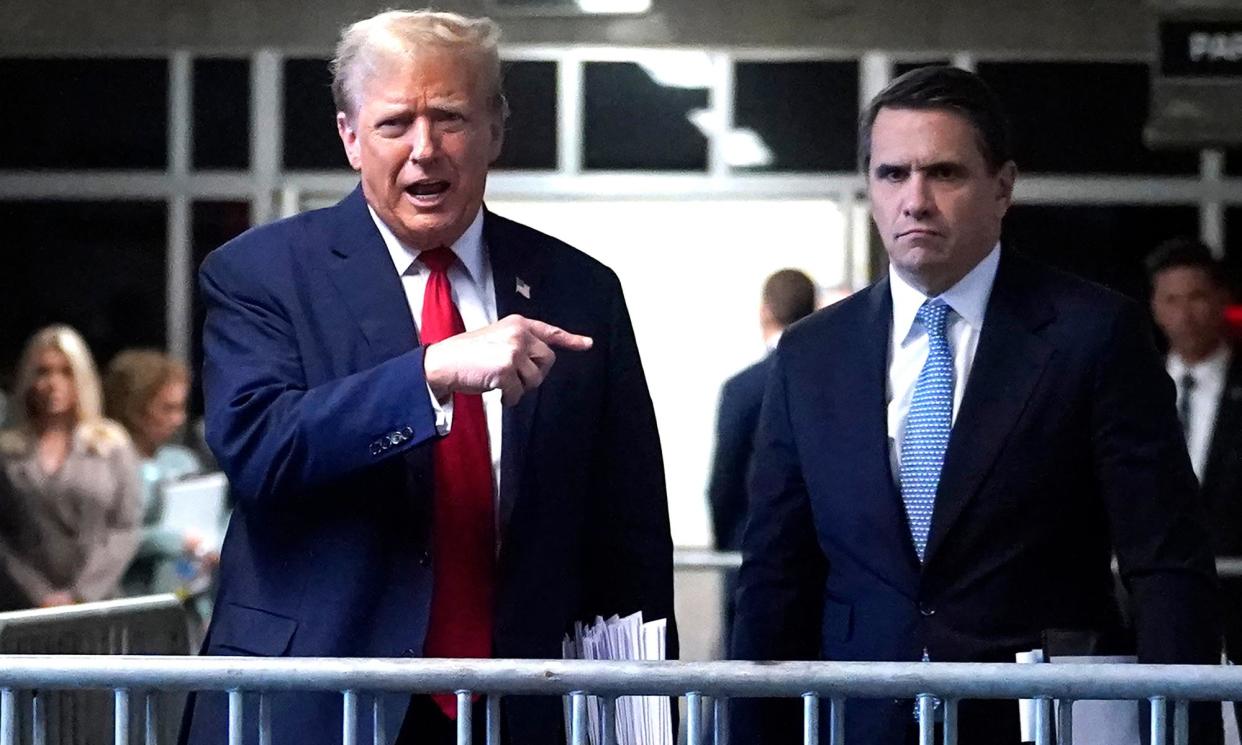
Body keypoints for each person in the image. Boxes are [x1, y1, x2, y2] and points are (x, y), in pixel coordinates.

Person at [181, 9, 676, 745]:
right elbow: (260, 449)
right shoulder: (262, 273)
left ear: (495, 131)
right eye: (393, 124)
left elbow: (629, 527)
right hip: (317, 704)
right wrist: (431, 373)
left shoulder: (579, 288)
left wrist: (643, 714)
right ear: (350, 137)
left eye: (449, 117)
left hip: (523, 703)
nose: (423, 150)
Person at [730, 66, 1221, 745]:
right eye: (892, 174)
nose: (916, 200)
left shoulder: (1092, 334)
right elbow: (774, 579)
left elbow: (1165, 562)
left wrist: (1179, 728)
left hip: (1041, 717)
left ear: (1003, 187)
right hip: (863, 719)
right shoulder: (811, 355)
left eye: (945, 174)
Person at [1147, 237, 1242, 735]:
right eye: (1172, 299)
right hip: (1157, 605)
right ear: (1155, 308)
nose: (1186, 313)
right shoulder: (1134, 389)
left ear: (1222, 300)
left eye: (1198, 297)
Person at [707, 268, 815, 645]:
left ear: (764, 311)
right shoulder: (829, 384)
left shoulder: (742, 388)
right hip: (820, 559)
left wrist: (728, 543)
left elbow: (723, 483)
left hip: (750, 552)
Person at [0, 325, 142, 611]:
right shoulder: (8, 451)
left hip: (98, 602)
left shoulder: (110, 443)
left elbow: (126, 526)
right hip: (25, 605)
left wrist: (82, 594)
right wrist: (38, 593)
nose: (54, 383)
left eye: (66, 372)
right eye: (43, 372)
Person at [103, 349, 209, 596]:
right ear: (135, 409)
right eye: (167, 409)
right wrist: (176, 541)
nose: (178, 419)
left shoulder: (183, 461)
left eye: (181, 408)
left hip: (189, 592)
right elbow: (110, 537)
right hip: (130, 596)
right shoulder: (108, 465)